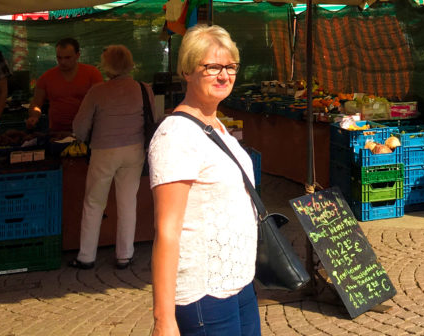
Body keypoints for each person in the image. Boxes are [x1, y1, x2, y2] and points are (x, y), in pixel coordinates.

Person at [149, 25, 260, 336]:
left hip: (238, 283)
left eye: (230, 67)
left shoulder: (216, 125)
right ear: (187, 71)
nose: (223, 76)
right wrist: (163, 319)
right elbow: (167, 231)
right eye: (212, 67)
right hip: (203, 294)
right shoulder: (175, 136)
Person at [70, 45, 149, 270]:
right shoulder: (144, 89)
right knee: (127, 201)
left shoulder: (97, 91)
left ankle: (86, 256)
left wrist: (81, 138)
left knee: (94, 202)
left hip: (104, 150)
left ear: (106, 66)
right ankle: (125, 255)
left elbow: (80, 125)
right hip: (134, 150)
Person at [27, 38, 104, 132]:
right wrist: (34, 116)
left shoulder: (92, 73)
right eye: (59, 57)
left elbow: (101, 102)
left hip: (87, 131)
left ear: (77, 55)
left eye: (67, 57)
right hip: (57, 132)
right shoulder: (46, 77)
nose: (63, 62)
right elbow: (36, 103)